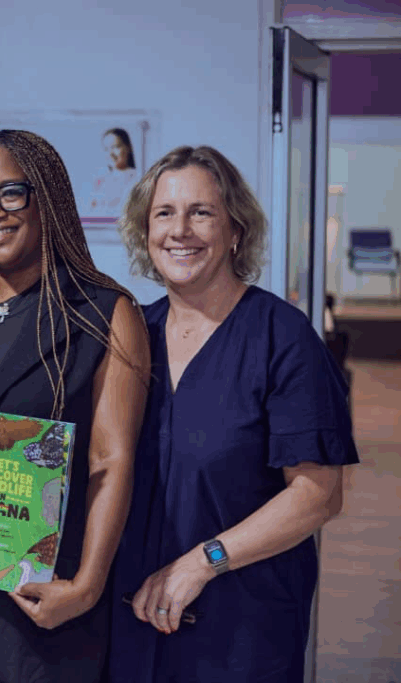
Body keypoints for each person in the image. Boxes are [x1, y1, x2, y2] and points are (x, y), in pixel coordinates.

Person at [0, 129, 150, 683]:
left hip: (47, 593)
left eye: (11, 193)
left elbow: (112, 463)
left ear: (48, 198)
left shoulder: (103, 314)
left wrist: (85, 587)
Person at [108, 145, 359, 682]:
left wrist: (203, 562)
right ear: (144, 232)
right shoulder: (130, 336)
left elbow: (318, 494)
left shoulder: (283, 339)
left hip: (239, 632)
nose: (181, 230)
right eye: (164, 214)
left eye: (201, 212)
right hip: (130, 625)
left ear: (235, 231)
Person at [86, 128, 137, 215]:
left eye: (115, 147)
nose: (111, 153)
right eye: (106, 149)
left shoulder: (137, 180)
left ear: (128, 148)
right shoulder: (99, 180)